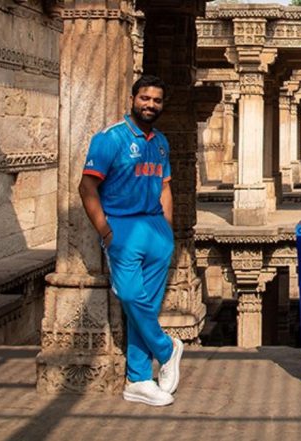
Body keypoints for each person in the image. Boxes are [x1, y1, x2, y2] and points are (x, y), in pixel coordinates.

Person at [79, 75, 183, 406]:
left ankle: (138, 380)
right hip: (122, 229)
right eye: (145, 98)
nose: (150, 105)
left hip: (156, 231)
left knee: (147, 305)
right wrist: (106, 232)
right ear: (132, 98)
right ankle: (167, 348)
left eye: (157, 100)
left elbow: (165, 186)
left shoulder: (161, 142)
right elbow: (87, 187)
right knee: (128, 293)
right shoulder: (111, 138)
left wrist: (168, 229)